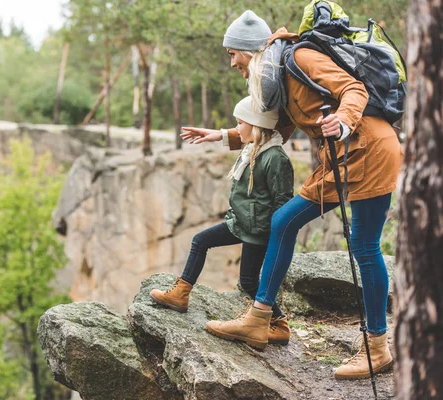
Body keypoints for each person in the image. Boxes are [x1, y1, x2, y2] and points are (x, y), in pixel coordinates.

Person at [182, 10, 403, 380]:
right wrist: (222, 136)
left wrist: (344, 120)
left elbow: (354, 89)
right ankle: (259, 318)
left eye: (233, 53)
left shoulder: (298, 57)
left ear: (250, 50)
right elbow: (274, 129)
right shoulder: (275, 77)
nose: (231, 62)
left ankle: (377, 348)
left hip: (370, 150)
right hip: (339, 159)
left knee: (364, 246)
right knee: (283, 221)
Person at [150, 96, 294, 347]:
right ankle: (181, 295)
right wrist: (219, 135)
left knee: (248, 281)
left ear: (256, 124)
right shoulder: (252, 148)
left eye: (240, 123)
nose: (237, 128)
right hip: (240, 222)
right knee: (200, 240)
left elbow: (282, 200)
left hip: (258, 230)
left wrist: (274, 236)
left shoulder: (275, 158)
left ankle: (280, 325)